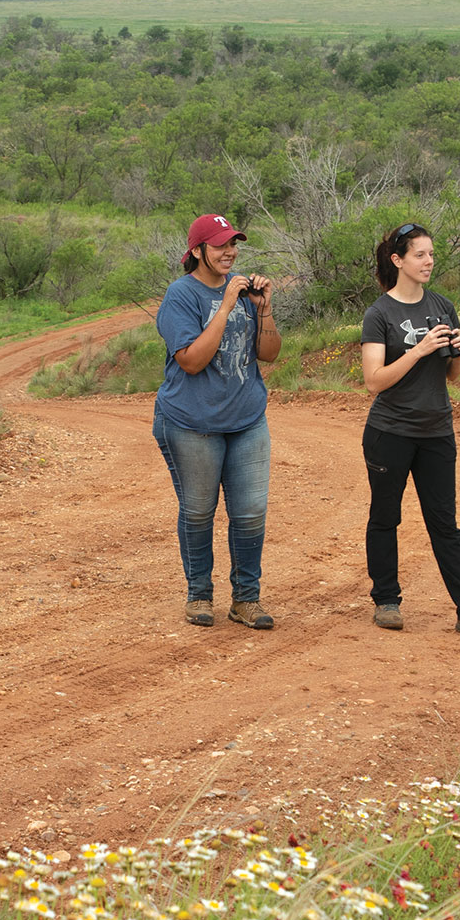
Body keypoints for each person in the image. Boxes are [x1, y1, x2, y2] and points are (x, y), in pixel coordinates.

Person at [359, 222, 460, 643]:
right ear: (398, 261)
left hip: (437, 430)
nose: (429, 261)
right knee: (386, 517)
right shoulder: (379, 313)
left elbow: (452, 376)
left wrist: (458, 352)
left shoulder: (442, 305)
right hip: (390, 431)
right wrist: (419, 349)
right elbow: (374, 381)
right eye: (420, 254)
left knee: (445, 523)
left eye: (432, 254)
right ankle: (387, 600)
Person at [152, 213, 282, 630]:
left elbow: (269, 353)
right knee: (198, 511)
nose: (230, 252)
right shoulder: (181, 295)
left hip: (246, 418)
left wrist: (264, 310)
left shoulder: (244, 292)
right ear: (197, 251)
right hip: (192, 421)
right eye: (221, 245)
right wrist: (225, 307)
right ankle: (199, 595)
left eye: (233, 244)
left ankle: (246, 599)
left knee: (250, 512)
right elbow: (190, 361)